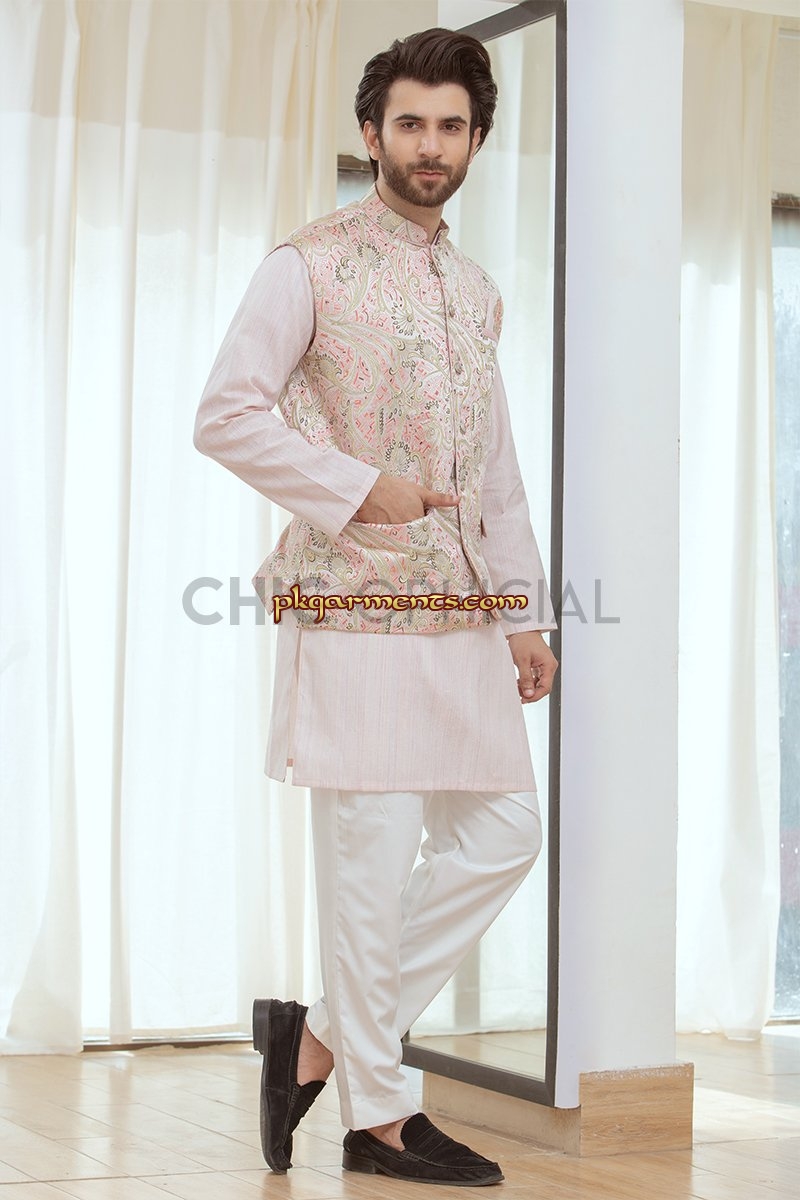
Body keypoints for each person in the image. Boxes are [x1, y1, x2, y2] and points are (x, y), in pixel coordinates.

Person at [194, 26, 559, 1188]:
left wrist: (523, 615)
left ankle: (315, 1039)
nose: (429, 145)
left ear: (476, 140)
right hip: (352, 610)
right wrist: (359, 489)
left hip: (460, 619)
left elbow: (496, 472)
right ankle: (380, 1119)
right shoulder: (306, 263)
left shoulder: (475, 292)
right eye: (409, 123)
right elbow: (225, 413)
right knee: (369, 872)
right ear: (371, 134)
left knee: (503, 835)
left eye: (450, 126)